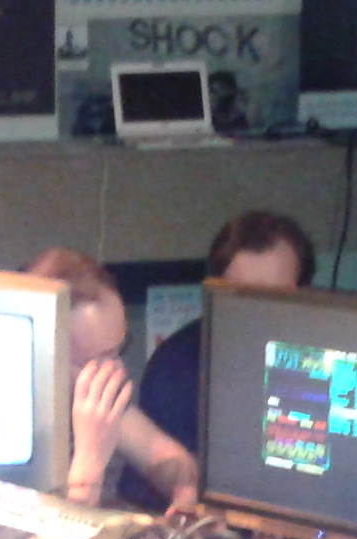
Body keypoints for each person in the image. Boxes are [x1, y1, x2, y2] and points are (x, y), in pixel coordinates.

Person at [126, 210, 317, 510]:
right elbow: (148, 502)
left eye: (276, 298)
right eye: (242, 297)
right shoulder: (175, 367)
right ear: (212, 294)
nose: (258, 314)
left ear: (305, 296)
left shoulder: (329, 367)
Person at [24, 248, 199, 514]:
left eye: (119, 350)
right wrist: (89, 458)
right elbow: (53, 533)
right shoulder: (7, 423)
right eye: (99, 358)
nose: (118, 369)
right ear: (45, 357)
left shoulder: (101, 400)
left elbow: (166, 457)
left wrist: (184, 489)